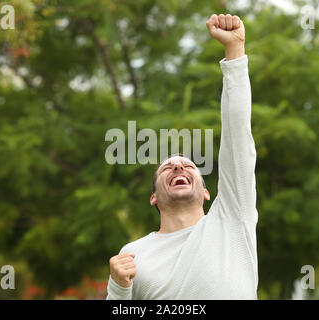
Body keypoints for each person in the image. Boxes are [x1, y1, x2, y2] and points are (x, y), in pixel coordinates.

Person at [106, 13, 258, 300]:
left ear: (206, 192)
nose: (178, 165)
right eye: (167, 168)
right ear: (153, 198)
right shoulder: (133, 255)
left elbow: (239, 137)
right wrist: (118, 288)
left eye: (189, 165)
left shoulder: (232, 218)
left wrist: (235, 51)